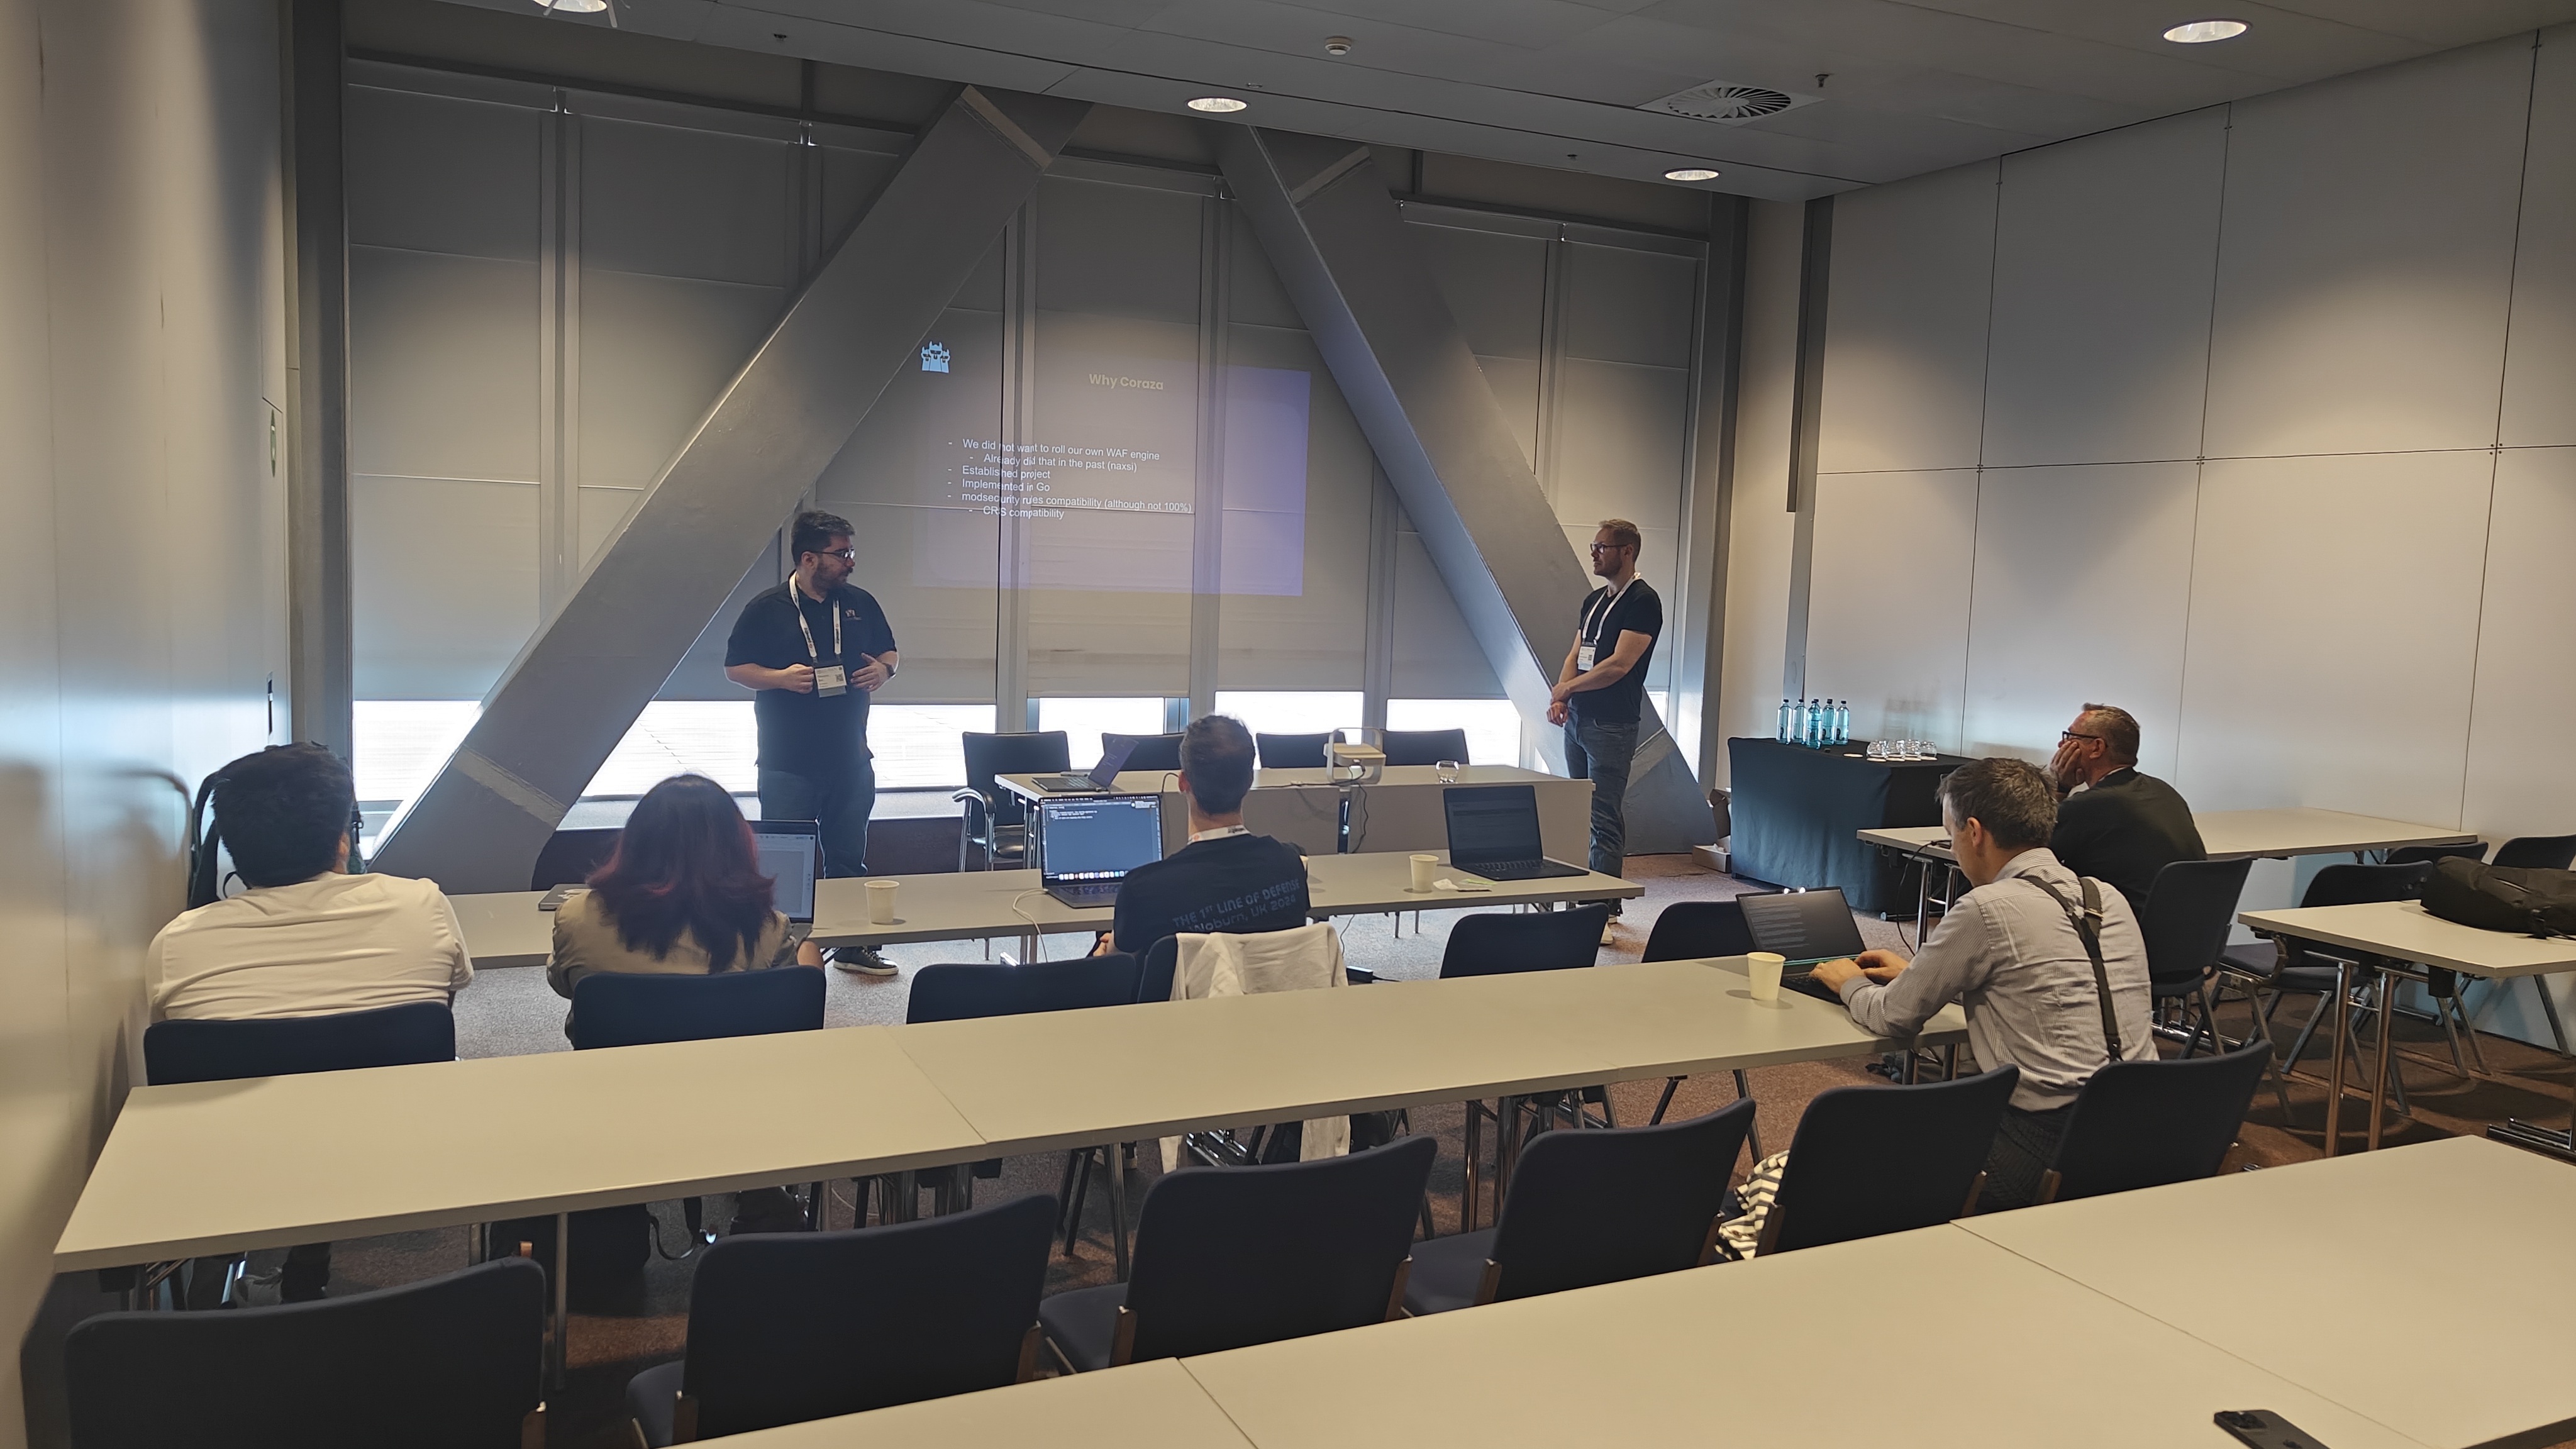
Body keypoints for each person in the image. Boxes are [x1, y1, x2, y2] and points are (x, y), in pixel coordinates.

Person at [145, 743, 474, 1301]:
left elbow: (184, 1039)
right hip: (404, 1149)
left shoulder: (177, 944)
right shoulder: (422, 905)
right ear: (344, 837)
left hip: (232, 1169)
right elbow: (446, 996)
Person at [1811, 756, 2154, 1212]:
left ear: (1974, 832)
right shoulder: (2105, 896)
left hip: (2041, 1146)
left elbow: (1893, 1017)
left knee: (1833, 1164)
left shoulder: (1987, 907)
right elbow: (2050, 982)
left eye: (1950, 834)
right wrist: (1919, 974)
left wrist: (1849, 983)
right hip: (2144, 1132)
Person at [724, 509, 899, 975]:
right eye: (841, 554)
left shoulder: (860, 602)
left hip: (851, 760)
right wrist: (779, 678)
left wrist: (885, 670)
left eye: (850, 552)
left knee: (848, 860)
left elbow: (889, 650)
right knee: (784, 867)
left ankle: (852, 948)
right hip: (787, 762)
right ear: (808, 558)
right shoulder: (767, 608)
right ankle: (779, 956)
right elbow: (736, 668)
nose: (850, 562)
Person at [546, 773, 823, 1024]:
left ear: (633, 841)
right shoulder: (767, 928)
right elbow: (785, 1003)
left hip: (613, 1062)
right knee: (808, 953)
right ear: (737, 847)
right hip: (727, 1061)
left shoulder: (575, 916)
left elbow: (563, 983)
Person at [1547, 518, 1662, 942]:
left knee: (1603, 816)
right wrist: (1563, 696)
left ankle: (1603, 910)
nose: (1594, 553)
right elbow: (1576, 654)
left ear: (1626, 552)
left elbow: (1619, 665)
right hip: (1578, 720)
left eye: (1602, 547)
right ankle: (1587, 897)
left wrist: (1568, 689)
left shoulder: (1643, 601)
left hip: (1612, 724)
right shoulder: (1594, 600)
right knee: (1582, 813)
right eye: (1593, 546)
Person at [1111, 715, 1311, 957]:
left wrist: (1105, 951)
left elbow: (1119, 959)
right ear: (1249, 780)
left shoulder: (1143, 889)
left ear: (1183, 782)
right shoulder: (1291, 865)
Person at [2047, 702, 2206, 916]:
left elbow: (2027, 854)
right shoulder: (2164, 791)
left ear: (2097, 748)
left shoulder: (2087, 806)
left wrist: (2060, 788)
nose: (2061, 744)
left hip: (2121, 928)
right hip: (2188, 926)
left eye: (2070, 737)